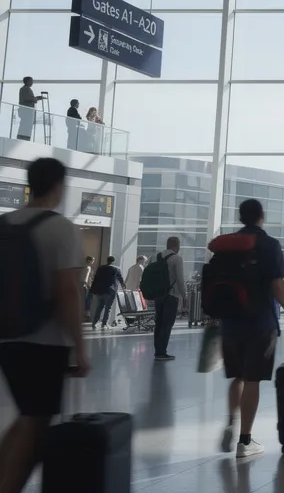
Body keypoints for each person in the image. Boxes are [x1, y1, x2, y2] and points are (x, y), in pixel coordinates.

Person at [0, 159, 89, 493]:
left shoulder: (5, 223)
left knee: (27, 415)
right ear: (58, 186)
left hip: (7, 338)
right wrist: (80, 348)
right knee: (36, 427)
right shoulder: (61, 228)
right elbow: (68, 292)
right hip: (45, 343)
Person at [214, 199, 284, 460]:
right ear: (261, 216)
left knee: (237, 377)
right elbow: (277, 284)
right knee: (252, 379)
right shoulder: (269, 244)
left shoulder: (226, 245)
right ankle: (245, 440)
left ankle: (231, 421)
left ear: (241, 216)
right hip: (260, 322)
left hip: (230, 322)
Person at [153, 236, 185, 361]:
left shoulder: (156, 257)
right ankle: (162, 352)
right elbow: (180, 280)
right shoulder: (177, 258)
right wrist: (184, 295)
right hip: (172, 295)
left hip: (158, 295)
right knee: (167, 324)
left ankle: (157, 352)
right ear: (177, 246)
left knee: (159, 323)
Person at [88, 256, 125, 330]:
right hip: (111, 291)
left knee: (99, 307)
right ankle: (104, 324)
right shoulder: (116, 269)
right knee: (108, 308)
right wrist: (124, 286)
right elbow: (120, 279)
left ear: (107, 260)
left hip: (100, 291)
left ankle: (94, 324)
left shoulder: (100, 268)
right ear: (113, 261)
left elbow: (95, 279)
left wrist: (92, 290)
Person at [15, 77, 37, 141]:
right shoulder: (24, 89)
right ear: (27, 81)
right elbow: (27, 98)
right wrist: (35, 99)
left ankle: (25, 138)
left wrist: (35, 99)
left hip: (28, 111)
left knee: (27, 125)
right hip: (26, 111)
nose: (32, 82)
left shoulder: (27, 89)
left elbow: (29, 98)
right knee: (25, 125)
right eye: (31, 81)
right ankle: (23, 138)